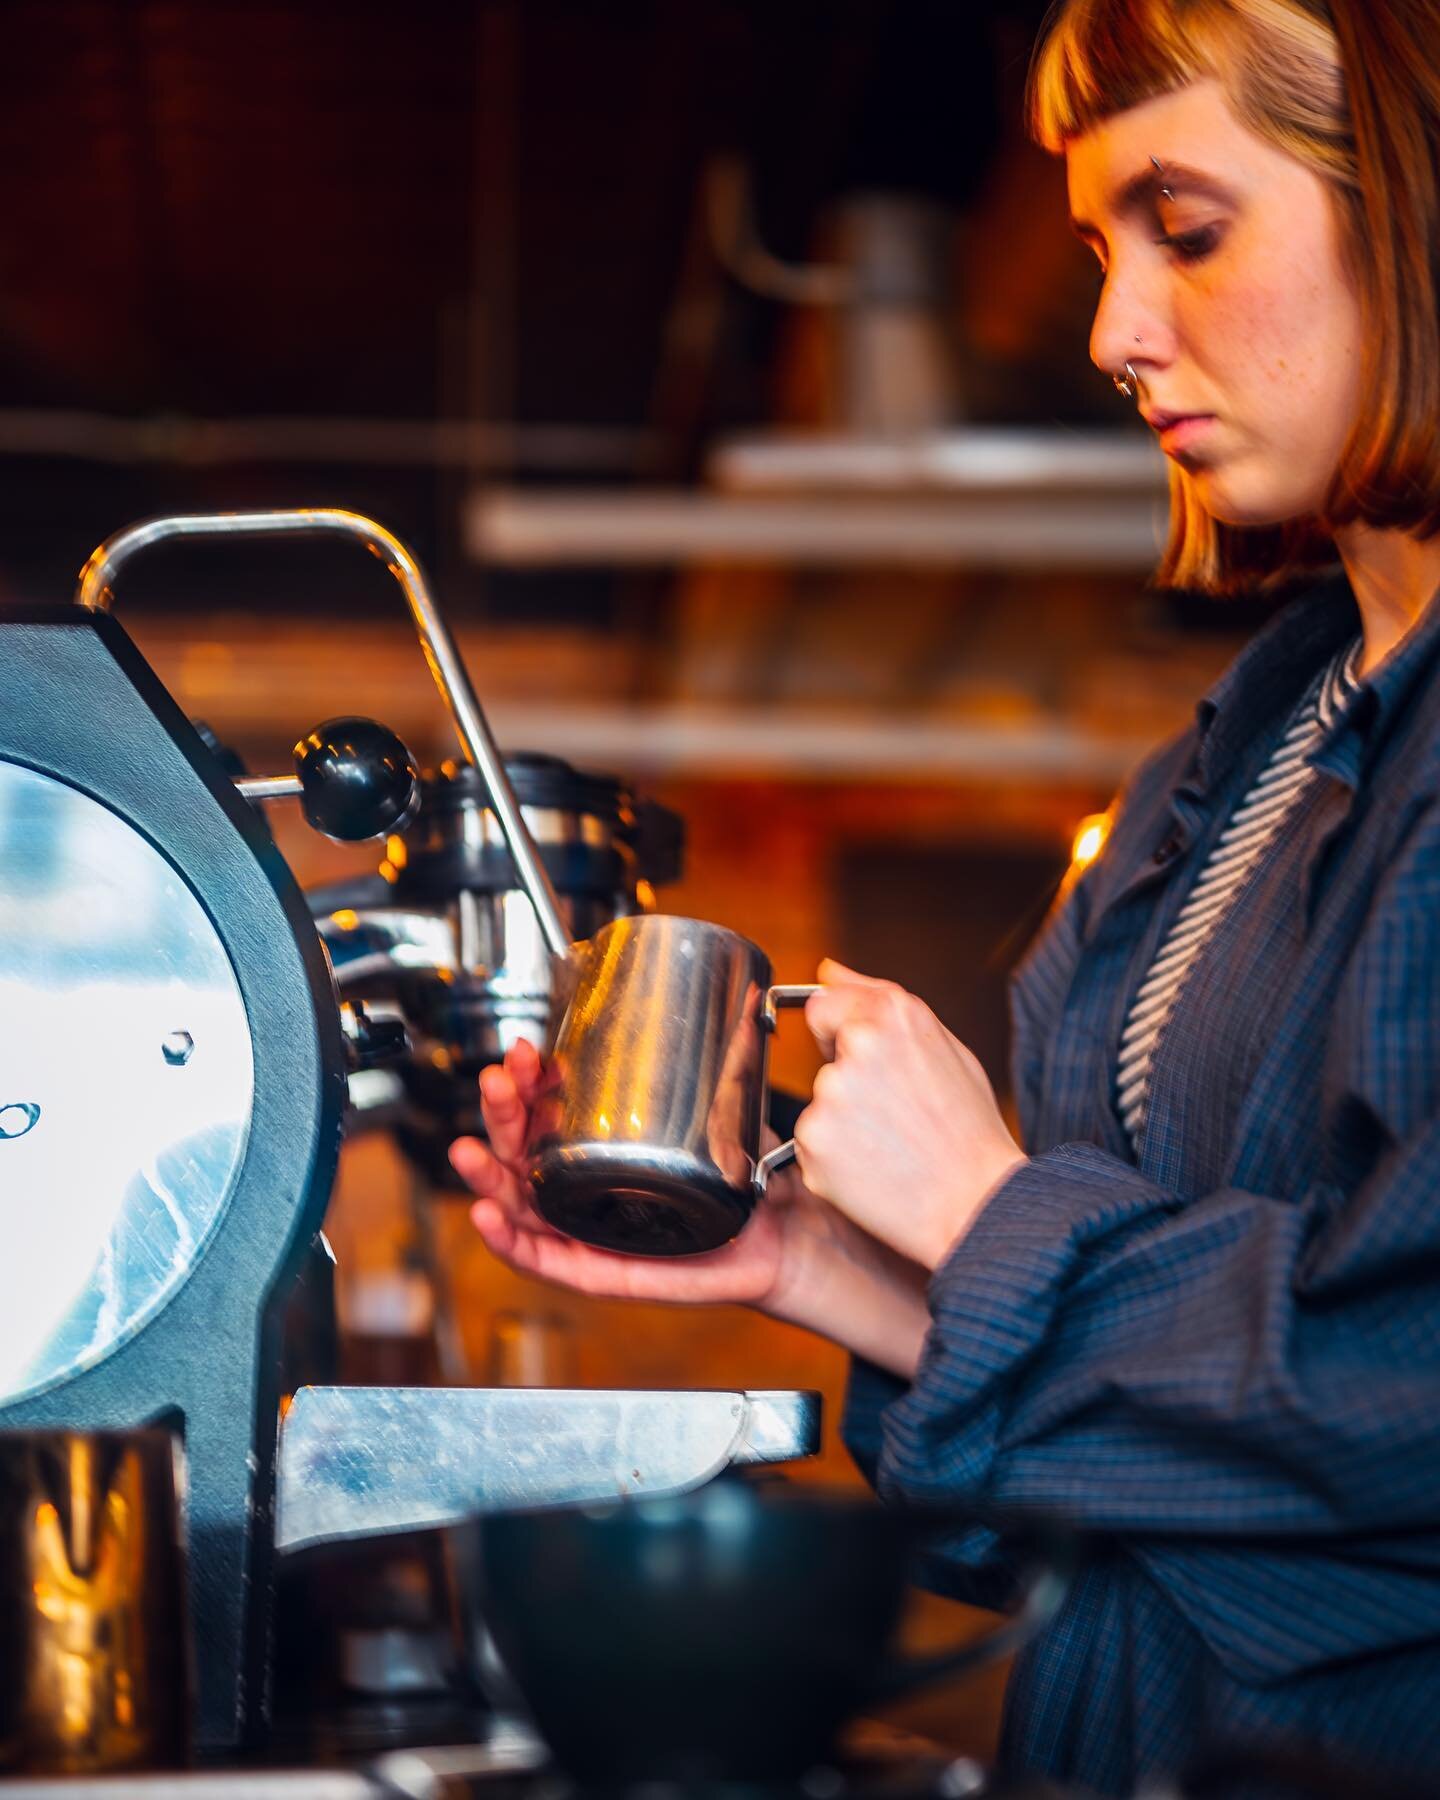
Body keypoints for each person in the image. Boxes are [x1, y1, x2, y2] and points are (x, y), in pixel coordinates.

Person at [450, 1, 1440, 1790]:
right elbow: (1185, 1428)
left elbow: (1407, 1401)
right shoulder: (1219, 780)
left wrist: (988, 1207)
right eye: (1096, 251)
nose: (1116, 332)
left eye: (1190, 232)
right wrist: (825, 1262)